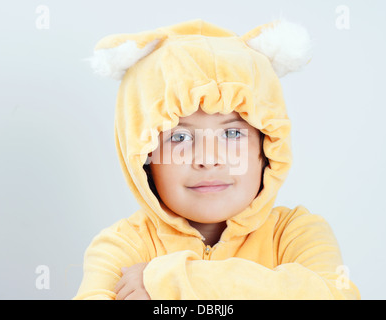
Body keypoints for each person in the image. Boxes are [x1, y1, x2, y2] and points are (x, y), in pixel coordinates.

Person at [74, 19, 360, 300]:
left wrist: (175, 282)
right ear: (145, 155)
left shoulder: (295, 233)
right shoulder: (121, 247)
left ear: (267, 147)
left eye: (233, 133)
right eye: (179, 137)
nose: (208, 160)